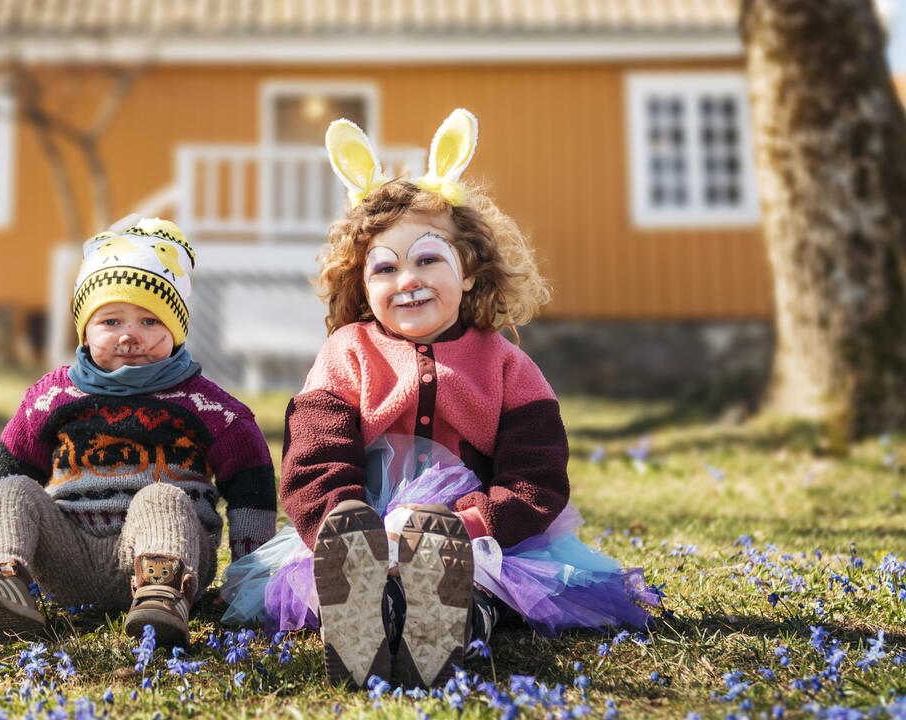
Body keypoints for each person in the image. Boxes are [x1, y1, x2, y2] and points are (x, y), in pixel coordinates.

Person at [226, 109, 656, 690]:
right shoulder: (346, 354)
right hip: (360, 532)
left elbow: (537, 477)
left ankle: (452, 622)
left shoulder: (506, 364)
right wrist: (349, 525)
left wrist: (473, 523)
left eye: (428, 259)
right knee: (346, 577)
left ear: (470, 271)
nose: (408, 279)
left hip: (476, 536)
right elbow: (314, 461)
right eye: (385, 267)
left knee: (483, 583)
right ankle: (365, 619)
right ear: (363, 286)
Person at [0, 218, 278, 648]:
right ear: (84, 329)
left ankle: (161, 597)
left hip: (173, 556)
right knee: (14, 488)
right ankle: (0, 580)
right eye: (111, 321)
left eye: (150, 321)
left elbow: (251, 480)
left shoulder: (207, 406)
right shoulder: (52, 397)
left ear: (175, 330)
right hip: (71, 558)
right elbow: (5, 468)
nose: (129, 336)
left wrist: (250, 575)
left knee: (161, 497)